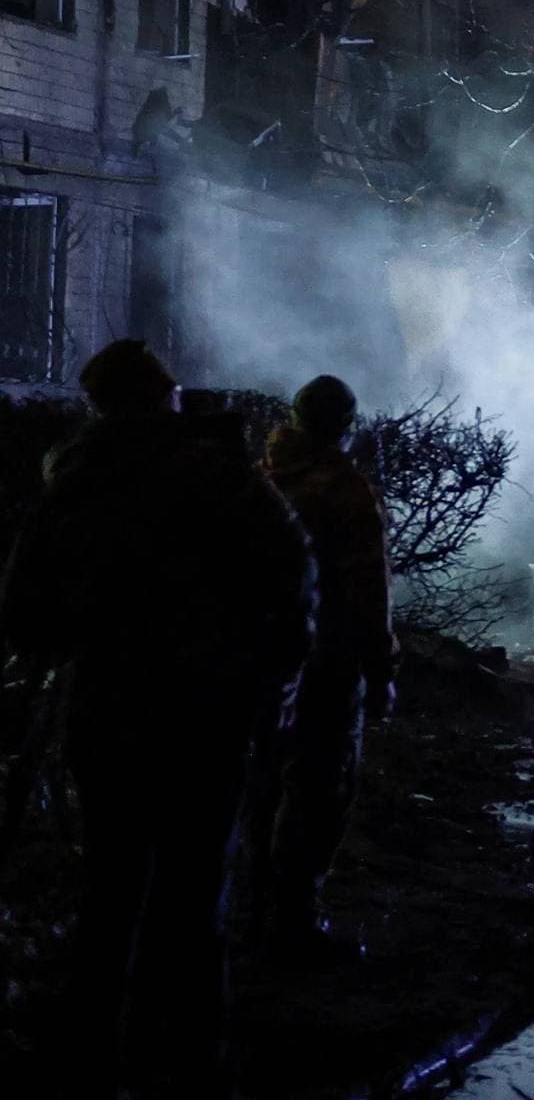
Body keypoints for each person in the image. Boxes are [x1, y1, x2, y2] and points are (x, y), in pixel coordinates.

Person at [0, 340, 314, 1098]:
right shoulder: (228, 478)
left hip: (112, 716)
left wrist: (89, 634)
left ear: (101, 404)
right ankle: (189, 1060)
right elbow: (292, 583)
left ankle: (93, 1058)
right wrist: (272, 687)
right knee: (196, 892)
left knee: (112, 891)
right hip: (210, 719)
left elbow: (24, 614)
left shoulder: (76, 483)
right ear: (166, 396)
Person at [254, 375, 398, 958]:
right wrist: (383, 671)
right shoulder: (343, 490)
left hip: (261, 662)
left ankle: (248, 912)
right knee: (319, 790)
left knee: (260, 787)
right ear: (345, 424)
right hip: (329, 663)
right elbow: (369, 589)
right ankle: (292, 921)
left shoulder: (261, 481)